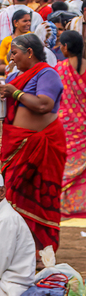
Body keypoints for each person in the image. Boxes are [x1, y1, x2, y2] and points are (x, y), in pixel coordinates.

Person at [0, 32, 66, 252]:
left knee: (41, 199)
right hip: (18, 146)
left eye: (15, 53)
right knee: (12, 195)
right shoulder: (14, 77)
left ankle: (40, 251)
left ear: (29, 52)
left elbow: (44, 104)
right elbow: (4, 110)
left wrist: (15, 93)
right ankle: (18, 250)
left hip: (43, 144)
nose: (12, 58)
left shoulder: (47, 74)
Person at [56, 30, 86, 219]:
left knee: (65, 166)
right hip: (83, 130)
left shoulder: (59, 69)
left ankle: (66, 204)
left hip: (67, 129)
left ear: (65, 48)